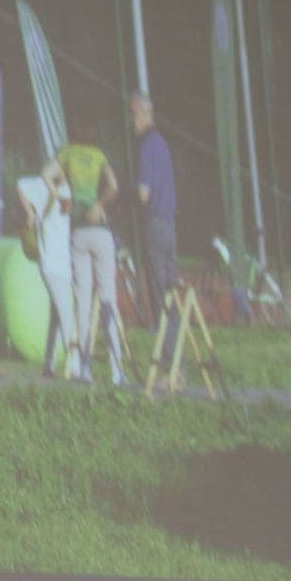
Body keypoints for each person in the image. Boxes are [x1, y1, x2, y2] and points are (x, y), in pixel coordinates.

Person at [45, 121, 126, 385]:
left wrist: (60, 196)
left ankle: (83, 368)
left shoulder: (66, 153)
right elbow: (113, 187)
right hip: (101, 231)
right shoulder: (99, 156)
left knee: (82, 302)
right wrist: (99, 204)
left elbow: (46, 174)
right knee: (108, 299)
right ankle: (117, 371)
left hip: (78, 232)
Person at [133, 93, 179, 362]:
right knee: (171, 294)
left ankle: (169, 361)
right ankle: (177, 362)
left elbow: (143, 194)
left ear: (141, 114)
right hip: (170, 224)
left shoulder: (147, 146)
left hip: (155, 224)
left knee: (159, 293)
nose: (131, 122)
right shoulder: (162, 143)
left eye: (132, 115)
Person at [16, 175, 77, 378]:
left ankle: (49, 365)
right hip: (51, 262)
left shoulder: (66, 188)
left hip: (63, 263)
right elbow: (20, 185)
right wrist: (30, 213)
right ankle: (76, 367)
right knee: (66, 313)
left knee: (57, 315)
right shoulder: (45, 189)